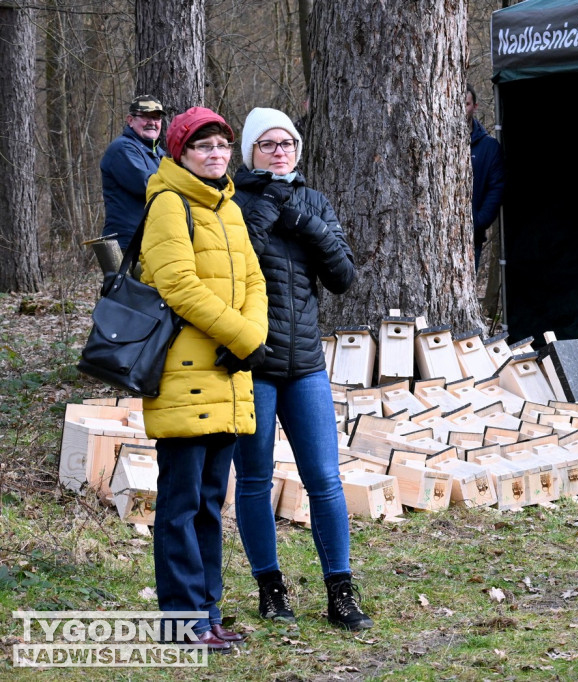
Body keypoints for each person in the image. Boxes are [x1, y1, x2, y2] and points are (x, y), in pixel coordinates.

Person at [230, 107, 373, 631]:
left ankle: (341, 593)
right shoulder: (233, 201)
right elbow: (234, 262)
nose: (279, 152)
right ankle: (271, 590)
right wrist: (267, 210)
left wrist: (306, 222)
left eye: (286, 143)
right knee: (254, 480)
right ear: (250, 152)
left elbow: (342, 276)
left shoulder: (314, 200)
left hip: (307, 364)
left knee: (325, 481)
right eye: (267, 144)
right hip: (253, 364)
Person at [139, 106, 269, 652]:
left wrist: (251, 335)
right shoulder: (169, 203)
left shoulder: (229, 206)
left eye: (222, 146)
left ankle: (208, 614)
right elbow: (177, 283)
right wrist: (242, 336)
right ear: (181, 153)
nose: (216, 155)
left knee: (212, 501)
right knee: (180, 504)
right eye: (203, 147)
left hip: (229, 374)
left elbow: (256, 279)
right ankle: (182, 621)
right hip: (186, 374)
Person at [100, 95, 167, 252]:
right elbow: (149, 186)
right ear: (130, 120)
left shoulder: (159, 153)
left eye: (156, 118)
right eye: (144, 116)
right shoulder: (122, 149)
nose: (152, 122)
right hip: (127, 244)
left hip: (150, 240)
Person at [465, 84, 506, 270]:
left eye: (466, 104)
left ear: (475, 106)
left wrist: (478, 221)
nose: (461, 110)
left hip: (471, 239)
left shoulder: (489, 147)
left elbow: (496, 188)